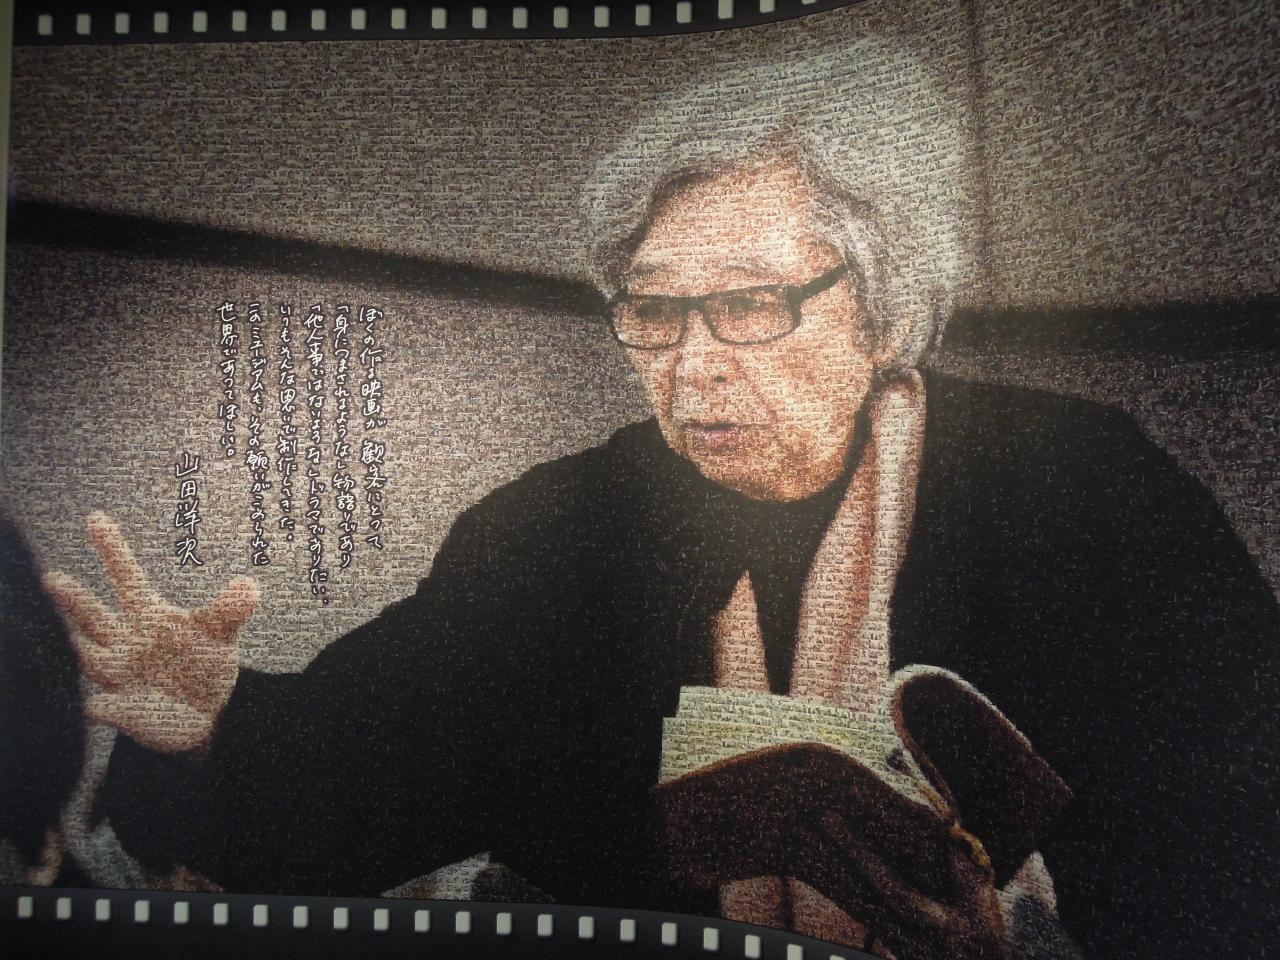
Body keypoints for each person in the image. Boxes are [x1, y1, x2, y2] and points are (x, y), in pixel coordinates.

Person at [42, 47, 1279, 960]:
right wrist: (206, 734)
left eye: (747, 305)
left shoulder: (1084, 496)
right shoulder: (553, 532)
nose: (691, 368)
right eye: (651, 310)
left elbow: (1235, 855)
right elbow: (355, 782)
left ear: (881, 305)